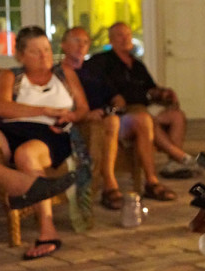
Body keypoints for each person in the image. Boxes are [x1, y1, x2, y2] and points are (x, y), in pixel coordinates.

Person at [0, 26, 89, 259]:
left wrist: (71, 116)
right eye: (35, 51)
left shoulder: (64, 74)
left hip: (51, 133)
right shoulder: (10, 76)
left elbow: (83, 108)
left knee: (26, 154)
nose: (44, 55)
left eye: (46, 49)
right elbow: (1, 107)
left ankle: (48, 230)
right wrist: (43, 109)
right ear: (20, 56)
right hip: (10, 132)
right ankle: (21, 186)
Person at [61, 26, 175, 206]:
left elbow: (116, 95)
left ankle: (151, 181)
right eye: (76, 41)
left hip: (109, 117)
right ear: (63, 45)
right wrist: (86, 114)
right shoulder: (59, 72)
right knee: (113, 122)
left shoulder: (93, 69)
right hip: (83, 125)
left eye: (85, 42)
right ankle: (109, 186)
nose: (81, 45)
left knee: (143, 119)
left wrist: (117, 103)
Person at [85, 22, 197, 179]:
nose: (125, 39)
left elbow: (150, 88)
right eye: (120, 35)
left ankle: (174, 164)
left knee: (177, 115)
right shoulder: (103, 62)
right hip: (126, 112)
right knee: (145, 118)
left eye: (128, 35)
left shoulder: (137, 64)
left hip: (145, 106)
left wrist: (163, 93)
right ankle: (181, 156)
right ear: (111, 40)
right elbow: (103, 91)